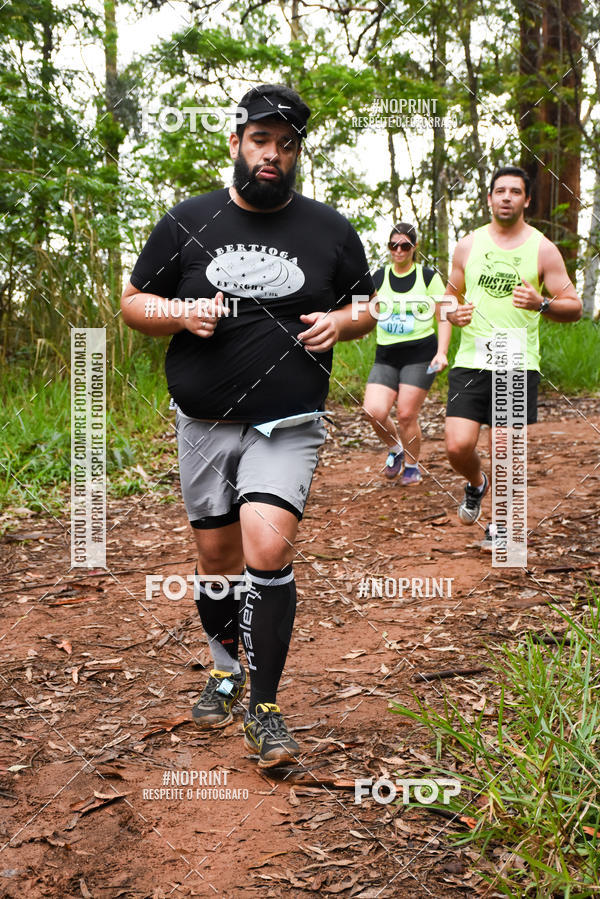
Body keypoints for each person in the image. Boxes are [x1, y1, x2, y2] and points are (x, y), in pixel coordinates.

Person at [120, 83, 376, 767]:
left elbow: (367, 306)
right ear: (235, 142)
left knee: (266, 547)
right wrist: (179, 313)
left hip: (287, 422)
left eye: (286, 145)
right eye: (261, 140)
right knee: (216, 559)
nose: (273, 155)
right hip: (203, 424)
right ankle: (225, 668)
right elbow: (133, 301)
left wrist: (342, 321)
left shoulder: (329, 230)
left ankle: (265, 709)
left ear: (296, 154)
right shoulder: (186, 221)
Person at [444, 164, 582, 546]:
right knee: (457, 446)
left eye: (515, 191)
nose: (507, 197)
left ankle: (502, 527)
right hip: (471, 360)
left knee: (503, 448)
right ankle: (476, 483)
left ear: (527, 200)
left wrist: (541, 303)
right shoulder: (468, 245)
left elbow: (574, 306)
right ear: (489, 198)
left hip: (515, 359)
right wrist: (452, 313)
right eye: (500, 191)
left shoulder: (543, 248)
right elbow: (447, 298)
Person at [363, 223, 450, 484]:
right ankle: (396, 449)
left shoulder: (428, 277)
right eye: (393, 245)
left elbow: (443, 315)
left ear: (414, 247)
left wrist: (442, 352)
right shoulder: (379, 277)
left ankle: (412, 467)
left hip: (420, 353)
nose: (399, 250)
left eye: (405, 245)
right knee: (374, 411)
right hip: (386, 354)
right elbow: (365, 310)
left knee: (405, 414)